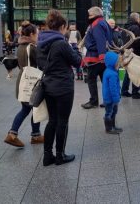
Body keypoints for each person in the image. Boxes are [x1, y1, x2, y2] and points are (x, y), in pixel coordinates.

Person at [37, 9, 82, 166]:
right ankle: (60, 155)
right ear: (62, 26)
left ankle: (47, 156)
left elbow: (40, 64)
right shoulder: (61, 44)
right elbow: (77, 62)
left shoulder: (41, 43)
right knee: (63, 121)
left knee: (52, 121)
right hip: (63, 87)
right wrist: (75, 46)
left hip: (48, 86)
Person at [4, 21, 44, 148]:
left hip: (22, 82)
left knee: (26, 109)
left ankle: (30, 134)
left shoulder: (21, 46)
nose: (38, 36)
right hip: (32, 83)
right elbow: (42, 63)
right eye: (37, 33)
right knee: (33, 109)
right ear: (31, 34)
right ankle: (27, 135)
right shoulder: (31, 48)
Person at [81, 7, 113, 109]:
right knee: (104, 80)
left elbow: (100, 41)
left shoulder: (96, 24)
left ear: (95, 15)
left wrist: (101, 57)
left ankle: (93, 101)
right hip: (101, 56)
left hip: (95, 57)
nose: (88, 17)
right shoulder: (103, 22)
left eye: (90, 15)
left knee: (91, 79)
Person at [121, 12, 140, 99]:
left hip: (127, 52)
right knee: (135, 72)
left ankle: (124, 90)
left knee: (128, 72)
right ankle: (135, 92)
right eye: (138, 18)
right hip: (135, 53)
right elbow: (139, 42)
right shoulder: (136, 27)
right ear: (136, 19)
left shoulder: (125, 27)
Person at [102, 51, 123, 134]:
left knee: (113, 112)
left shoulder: (108, 71)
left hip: (109, 98)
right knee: (109, 113)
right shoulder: (112, 74)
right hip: (111, 99)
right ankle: (109, 129)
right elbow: (113, 88)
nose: (119, 64)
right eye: (117, 63)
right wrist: (116, 98)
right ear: (112, 63)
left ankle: (113, 126)